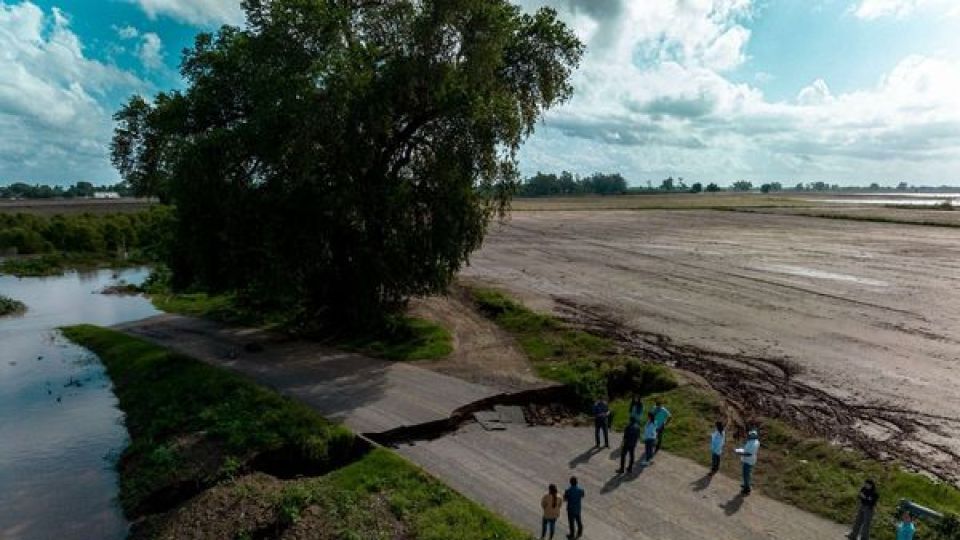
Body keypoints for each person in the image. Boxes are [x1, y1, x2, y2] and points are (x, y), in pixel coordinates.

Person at [737, 429, 760, 495]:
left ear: (754, 436)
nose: (749, 435)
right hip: (747, 460)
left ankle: (747, 489)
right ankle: (745, 484)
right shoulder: (752, 441)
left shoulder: (755, 443)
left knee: (746, 474)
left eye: (750, 435)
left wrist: (740, 453)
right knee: (746, 474)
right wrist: (742, 451)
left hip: (749, 460)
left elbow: (749, 454)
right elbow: (747, 449)